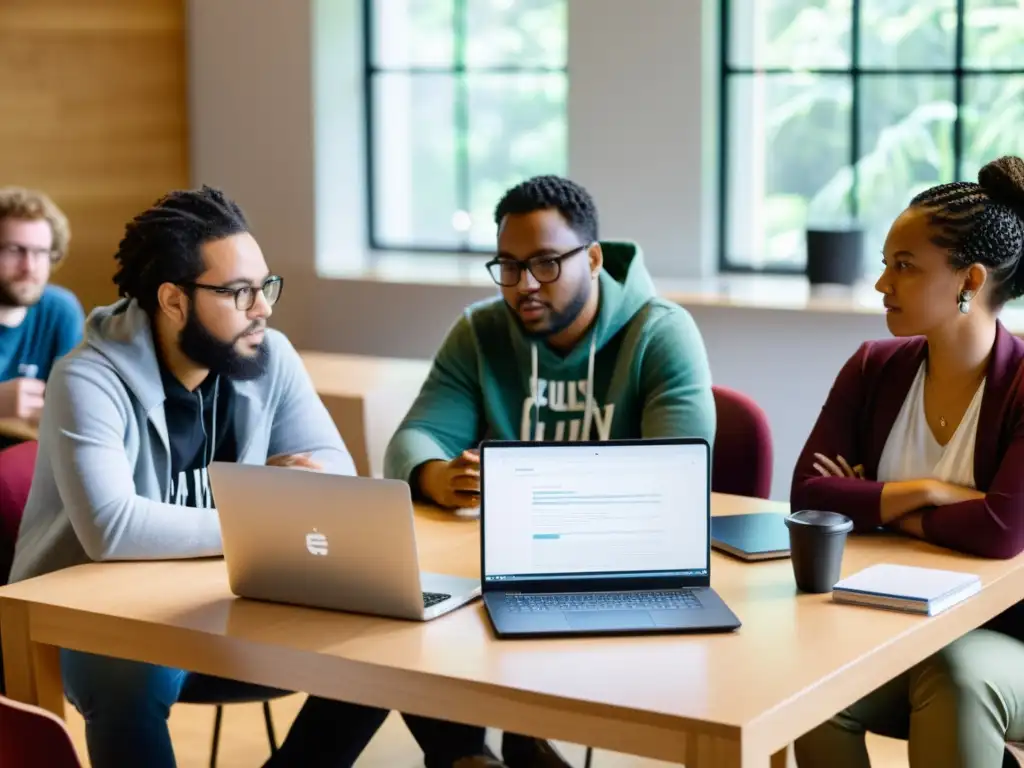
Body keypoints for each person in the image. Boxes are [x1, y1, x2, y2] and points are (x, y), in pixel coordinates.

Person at [8, 186, 492, 768]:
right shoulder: (87, 377)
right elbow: (113, 528)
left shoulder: (269, 355)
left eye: (265, 286)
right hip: (100, 624)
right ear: (173, 300)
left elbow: (334, 473)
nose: (262, 307)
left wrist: (279, 507)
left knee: (394, 636)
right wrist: (266, 512)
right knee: (123, 677)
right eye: (239, 292)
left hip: (230, 599)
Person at [384, 174, 716, 767]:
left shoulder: (661, 332)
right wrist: (437, 476)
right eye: (507, 266)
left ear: (592, 257)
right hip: (499, 573)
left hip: (616, 576)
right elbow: (415, 437)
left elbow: (677, 481)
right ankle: (471, 758)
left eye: (545, 263)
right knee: (398, 621)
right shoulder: (480, 331)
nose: (524, 286)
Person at [790, 155, 1024, 768]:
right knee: (812, 688)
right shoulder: (873, 366)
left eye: (904, 266)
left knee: (958, 674)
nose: (880, 284)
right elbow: (809, 498)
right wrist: (933, 491)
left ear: (969, 280)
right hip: (895, 626)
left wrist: (878, 504)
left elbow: (1001, 531)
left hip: (1011, 640)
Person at [0, 187, 84, 425]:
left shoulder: (60, 310)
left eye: (40, 252)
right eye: (15, 250)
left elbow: (75, 405)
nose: (29, 266)